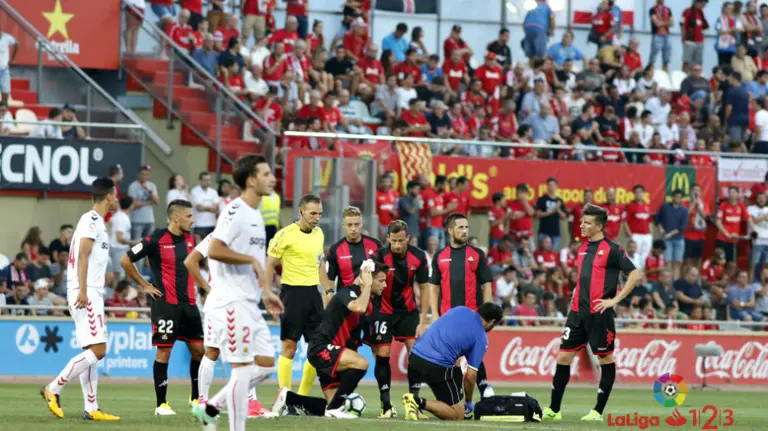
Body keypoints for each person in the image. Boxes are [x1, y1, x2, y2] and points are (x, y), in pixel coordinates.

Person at [190, 155, 285, 430]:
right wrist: (252, 262)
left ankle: (210, 408)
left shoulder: (256, 214)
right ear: (252, 180)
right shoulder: (235, 210)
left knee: (266, 365)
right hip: (231, 302)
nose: (272, 178)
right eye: (266, 174)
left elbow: (254, 260)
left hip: (249, 303)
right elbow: (216, 249)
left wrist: (266, 291)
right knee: (242, 371)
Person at [41, 178, 146, 421]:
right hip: (85, 291)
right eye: (115, 194)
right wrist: (84, 290)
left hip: (90, 290)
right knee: (99, 350)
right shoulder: (91, 220)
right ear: (109, 195)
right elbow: (83, 254)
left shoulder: (97, 222)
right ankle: (53, 388)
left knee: (91, 350)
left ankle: (91, 408)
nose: (117, 199)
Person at [543, 204, 641, 422]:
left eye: (586, 223)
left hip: (599, 314)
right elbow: (584, 277)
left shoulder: (613, 249)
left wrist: (615, 299)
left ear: (599, 227)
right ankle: (554, 409)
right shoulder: (582, 248)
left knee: (605, 359)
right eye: (582, 222)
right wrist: (576, 292)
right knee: (563, 357)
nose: (582, 226)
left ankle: (597, 411)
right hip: (577, 313)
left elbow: (635, 274)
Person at [272, 261, 389, 419]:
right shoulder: (348, 293)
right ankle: (335, 408)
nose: (385, 285)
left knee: (333, 405)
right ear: (366, 279)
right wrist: (366, 284)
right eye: (381, 281)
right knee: (362, 363)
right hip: (321, 348)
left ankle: (288, 398)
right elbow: (358, 307)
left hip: (336, 354)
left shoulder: (370, 302)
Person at [121, 199, 203, 416]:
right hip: (166, 306)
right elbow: (125, 260)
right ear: (176, 218)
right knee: (164, 352)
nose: (192, 220)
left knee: (199, 351)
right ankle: (161, 404)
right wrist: (145, 285)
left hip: (190, 306)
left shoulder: (191, 240)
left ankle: (195, 399)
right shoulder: (155, 239)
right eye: (189, 216)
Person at [266, 194, 333, 413]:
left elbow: (320, 262)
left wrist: (327, 289)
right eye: (313, 213)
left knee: (316, 350)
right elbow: (269, 264)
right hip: (292, 295)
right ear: (300, 211)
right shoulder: (284, 235)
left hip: (313, 294)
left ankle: (301, 399)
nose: (317, 218)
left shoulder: (319, 234)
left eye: (320, 214)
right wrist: (267, 293)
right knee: (289, 347)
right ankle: (284, 400)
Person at [428, 213, 495, 410]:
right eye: (460, 227)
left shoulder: (476, 255)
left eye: (466, 227)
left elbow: (487, 283)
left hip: (472, 317)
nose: (465, 231)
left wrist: (488, 311)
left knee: (471, 359)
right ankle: (466, 399)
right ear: (450, 230)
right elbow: (434, 287)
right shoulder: (440, 256)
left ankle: (478, 392)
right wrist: (435, 315)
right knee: (453, 362)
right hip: (448, 319)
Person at [368, 220, 430, 418]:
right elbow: (367, 280)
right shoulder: (378, 256)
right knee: (383, 354)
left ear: (408, 239)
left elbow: (425, 286)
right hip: (383, 311)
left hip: (408, 312)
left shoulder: (419, 256)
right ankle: (386, 406)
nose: (396, 245)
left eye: (400, 241)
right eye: (393, 240)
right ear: (388, 238)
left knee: (417, 354)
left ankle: (414, 403)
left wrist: (423, 318)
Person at [402, 302, 503, 421]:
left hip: (414, 357)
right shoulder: (481, 337)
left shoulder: (460, 309)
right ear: (492, 321)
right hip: (436, 366)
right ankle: (417, 402)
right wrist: (469, 402)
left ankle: (426, 403)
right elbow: (471, 376)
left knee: (456, 368)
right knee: (457, 415)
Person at [655, 189, 689, 279]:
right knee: (667, 262)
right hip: (666, 240)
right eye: (676, 196)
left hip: (678, 239)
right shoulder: (665, 206)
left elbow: (682, 227)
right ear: (672, 197)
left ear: (682, 198)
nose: (677, 199)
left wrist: (670, 234)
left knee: (677, 263)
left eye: (680, 197)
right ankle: (668, 282)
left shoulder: (684, 210)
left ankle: (675, 283)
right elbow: (657, 220)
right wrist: (660, 228)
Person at [715, 186, 749, 266]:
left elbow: (748, 218)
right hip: (722, 240)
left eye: (733, 192)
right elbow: (718, 222)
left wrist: (754, 230)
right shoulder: (723, 205)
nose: (731, 194)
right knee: (720, 263)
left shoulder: (741, 205)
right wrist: (727, 234)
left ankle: (728, 278)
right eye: (729, 192)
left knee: (733, 264)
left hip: (734, 241)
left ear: (737, 194)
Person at [128, 165, 160, 241]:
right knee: (136, 246)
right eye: (142, 174)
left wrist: (148, 190)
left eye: (146, 175)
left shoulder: (152, 186)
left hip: (149, 221)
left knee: (149, 246)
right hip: (137, 221)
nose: (144, 176)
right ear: (138, 174)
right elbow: (134, 204)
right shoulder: (133, 186)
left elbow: (157, 202)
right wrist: (149, 202)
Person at [109, 196, 137, 278]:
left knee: (130, 273)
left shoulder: (120, 216)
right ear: (130, 205)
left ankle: (127, 289)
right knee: (117, 276)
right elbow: (120, 238)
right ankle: (118, 290)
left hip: (121, 249)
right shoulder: (122, 218)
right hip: (118, 249)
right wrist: (134, 243)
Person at [536, 177, 567, 249]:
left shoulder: (559, 200)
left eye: (553, 185)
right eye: (549, 185)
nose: (551, 187)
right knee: (542, 253)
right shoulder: (542, 199)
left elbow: (564, 217)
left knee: (552, 254)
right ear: (547, 186)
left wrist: (558, 209)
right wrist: (553, 210)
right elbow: (538, 215)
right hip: (544, 231)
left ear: (556, 186)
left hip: (555, 233)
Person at [191, 172, 220, 238]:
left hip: (212, 224)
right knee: (199, 247)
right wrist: (211, 208)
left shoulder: (213, 191)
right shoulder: (194, 191)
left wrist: (205, 207)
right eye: (205, 180)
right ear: (200, 181)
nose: (208, 182)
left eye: (209, 180)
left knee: (210, 247)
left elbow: (217, 208)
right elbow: (199, 208)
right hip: (199, 225)